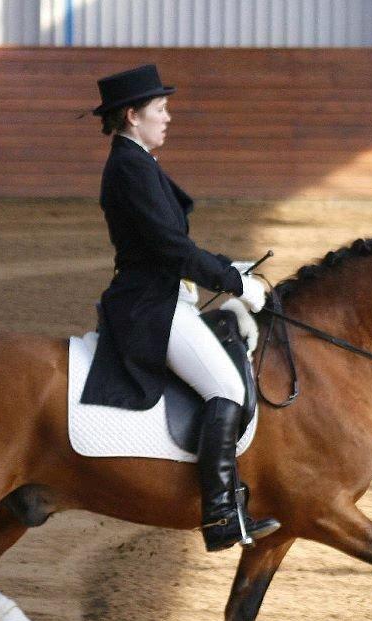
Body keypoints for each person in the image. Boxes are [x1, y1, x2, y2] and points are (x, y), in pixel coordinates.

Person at [80, 64, 281, 553]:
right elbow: (170, 247)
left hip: (160, 293)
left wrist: (224, 265)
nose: (168, 117)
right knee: (228, 387)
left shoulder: (138, 160)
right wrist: (232, 281)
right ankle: (218, 513)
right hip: (148, 305)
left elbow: (171, 247)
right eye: (160, 109)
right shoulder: (130, 165)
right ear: (132, 115)